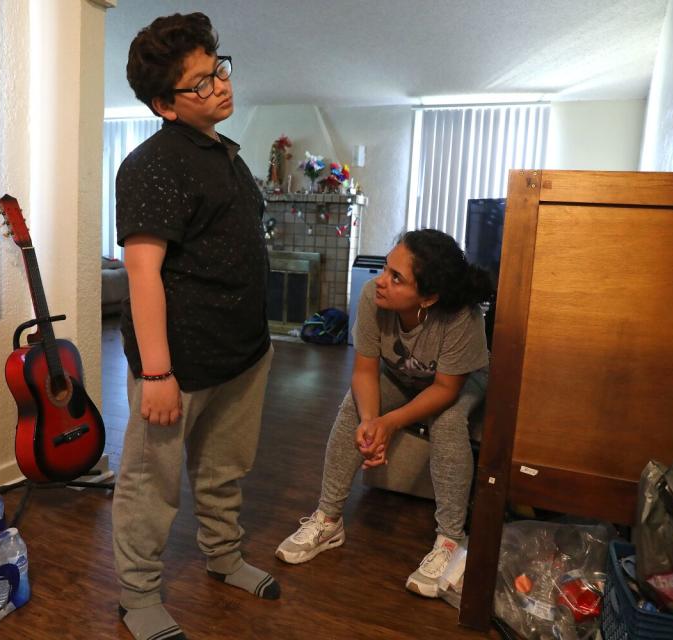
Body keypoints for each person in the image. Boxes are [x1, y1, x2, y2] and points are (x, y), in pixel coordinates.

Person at [111, 13, 278, 640]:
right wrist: (155, 372)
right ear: (165, 105)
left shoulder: (223, 154)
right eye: (201, 84)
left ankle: (223, 556)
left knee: (224, 468)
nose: (220, 88)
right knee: (151, 487)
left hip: (243, 352)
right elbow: (143, 274)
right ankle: (136, 595)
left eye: (219, 71)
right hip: (178, 363)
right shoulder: (153, 165)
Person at [275, 229, 493, 598]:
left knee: (449, 420)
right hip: (399, 374)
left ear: (428, 297)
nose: (380, 281)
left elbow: (445, 389)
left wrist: (389, 424)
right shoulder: (371, 298)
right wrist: (370, 424)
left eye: (396, 277)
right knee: (351, 408)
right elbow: (364, 371)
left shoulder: (460, 317)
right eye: (385, 268)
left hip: (456, 381)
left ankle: (452, 541)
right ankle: (328, 520)